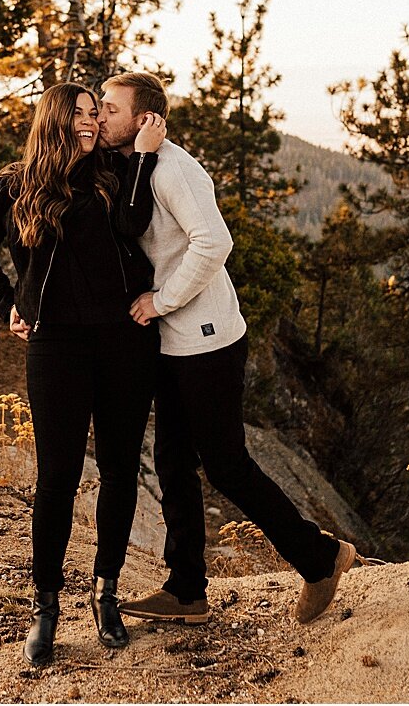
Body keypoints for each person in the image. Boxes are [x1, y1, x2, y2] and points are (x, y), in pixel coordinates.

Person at [96, 71, 358, 626]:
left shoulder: (174, 169)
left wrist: (161, 300)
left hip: (206, 339)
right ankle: (187, 589)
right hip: (174, 343)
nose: (100, 116)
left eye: (111, 109)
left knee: (227, 464)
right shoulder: (133, 166)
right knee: (172, 462)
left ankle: (320, 558)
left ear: (145, 119)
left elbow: (216, 242)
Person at [0, 82, 167, 667]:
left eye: (93, 113)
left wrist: (145, 153)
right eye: (77, 113)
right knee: (57, 477)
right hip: (56, 347)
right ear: (54, 118)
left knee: (121, 468)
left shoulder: (110, 172)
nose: (88, 122)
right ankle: (45, 607)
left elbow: (134, 226)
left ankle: (106, 593)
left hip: (125, 342)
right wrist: (9, 302)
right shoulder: (16, 182)